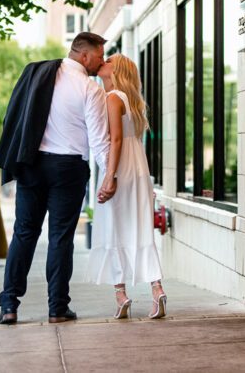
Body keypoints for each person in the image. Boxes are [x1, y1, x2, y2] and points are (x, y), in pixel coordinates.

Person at [0, 32, 111, 326]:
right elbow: (99, 141)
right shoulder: (90, 89)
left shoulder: (39, 75)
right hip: (68, 169)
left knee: (24, 233)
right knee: (61, 237)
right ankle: (58, 308)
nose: (102, 61)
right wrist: (110, 175)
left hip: (32, 164)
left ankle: (9, 305)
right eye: (99, 56)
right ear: (84, 56)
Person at [89, 53, 167, 319]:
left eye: (108, 59)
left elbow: (117, 140)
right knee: (141, 230)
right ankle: (157, 290)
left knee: (114, 229)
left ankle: (121, 295)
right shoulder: (135, 101)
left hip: (120, 167)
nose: (103, 62)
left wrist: (109, 176)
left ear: (116, 69)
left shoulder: (113, 98)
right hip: (139, 169)